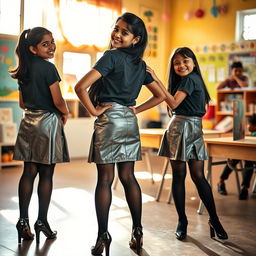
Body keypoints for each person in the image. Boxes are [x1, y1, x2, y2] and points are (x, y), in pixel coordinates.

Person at [75, 12, 165, 256]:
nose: (117, 34)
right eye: (116, 29)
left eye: (124, 32)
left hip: (109, 120)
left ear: (136, 39)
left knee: (105, 180)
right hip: (129, 122)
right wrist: (135, 109)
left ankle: (103, 235)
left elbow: (79, 87)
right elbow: (161, 96)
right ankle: (137, 231)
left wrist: (94, 110)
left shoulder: (111, 57)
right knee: (129, 178)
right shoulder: (140, 65)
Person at [147, 47, 228, 241]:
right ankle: (192, 221)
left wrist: (156, 79)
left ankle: (205, 220)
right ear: (172, 66)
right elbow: (174, 105)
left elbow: (173, 103)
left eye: (185, 61)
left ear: (193, 62)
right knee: (187, 176)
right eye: (176, 63)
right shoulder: (186, 81)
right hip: (180, 128)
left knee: (192, 177)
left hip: (191, 129)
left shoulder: (191, 79)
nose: (181, 65)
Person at [9, 27, 70, 244]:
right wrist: (65, 112)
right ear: (33, 49)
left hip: (28, 122)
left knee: (28, 172)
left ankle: (22, 221)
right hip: (47, 123)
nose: (51, 46)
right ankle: (42, 221)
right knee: (46, 175)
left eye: (52, 42)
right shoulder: (48, 68)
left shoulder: (23, 70)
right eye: (46, 44)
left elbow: (22, 103)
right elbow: (58, 100)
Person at [217, 113, 256, 199]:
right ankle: (244, 188)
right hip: (249, 155)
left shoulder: (253, 135)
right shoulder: (252, 134)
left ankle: (221, 181)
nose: (247, 126)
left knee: (237, 161)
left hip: (251, 156)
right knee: (246, 162)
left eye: (249, 124)